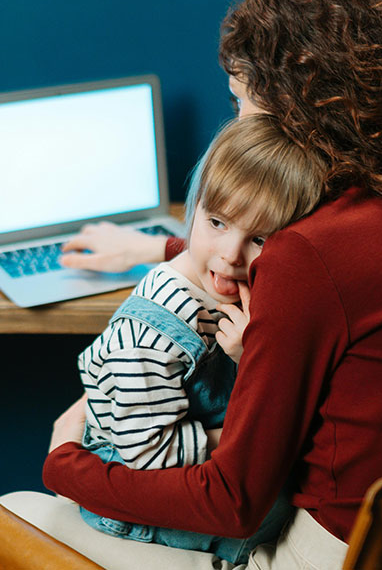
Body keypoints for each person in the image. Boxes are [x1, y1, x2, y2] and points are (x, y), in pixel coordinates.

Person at [0, 0, 382, 569]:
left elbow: (232, 502)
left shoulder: (308, 253)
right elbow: (340, 292)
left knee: (10, 511)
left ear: (300, 106)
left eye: (242, 103)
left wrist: (67, 466)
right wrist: (163, 248)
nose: (238, 124)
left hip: (335, 553)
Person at [73, 113, 327, 564]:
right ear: (195, 207)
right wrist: (237, 433)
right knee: (274, 512)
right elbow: (149, 454)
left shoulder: (242, 295)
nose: (231, 255)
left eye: (261, 239)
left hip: (192, 474)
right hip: (136, 500)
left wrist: (249, 356)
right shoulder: (150, 334)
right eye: (216, 222)